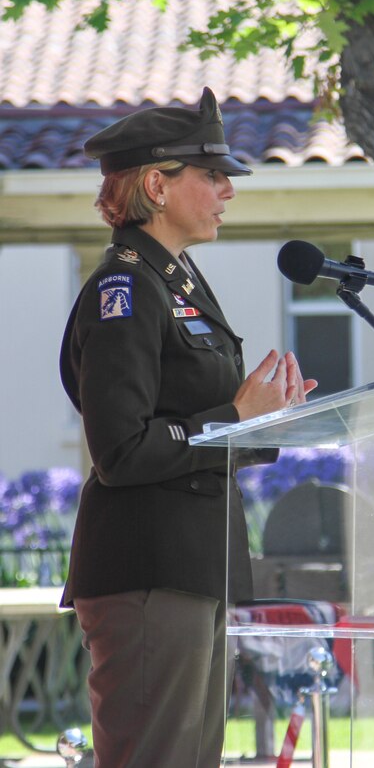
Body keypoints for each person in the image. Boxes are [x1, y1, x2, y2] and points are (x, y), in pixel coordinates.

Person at [59, 86, 317, 768]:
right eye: (212, 174)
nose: (228, 189)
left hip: (189, 567)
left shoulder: (174, 282)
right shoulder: (126, 290)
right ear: (156, 185)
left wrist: (266, 420)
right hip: (148, 571)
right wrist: (234, 415)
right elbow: (122, 450)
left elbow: (194, 431)